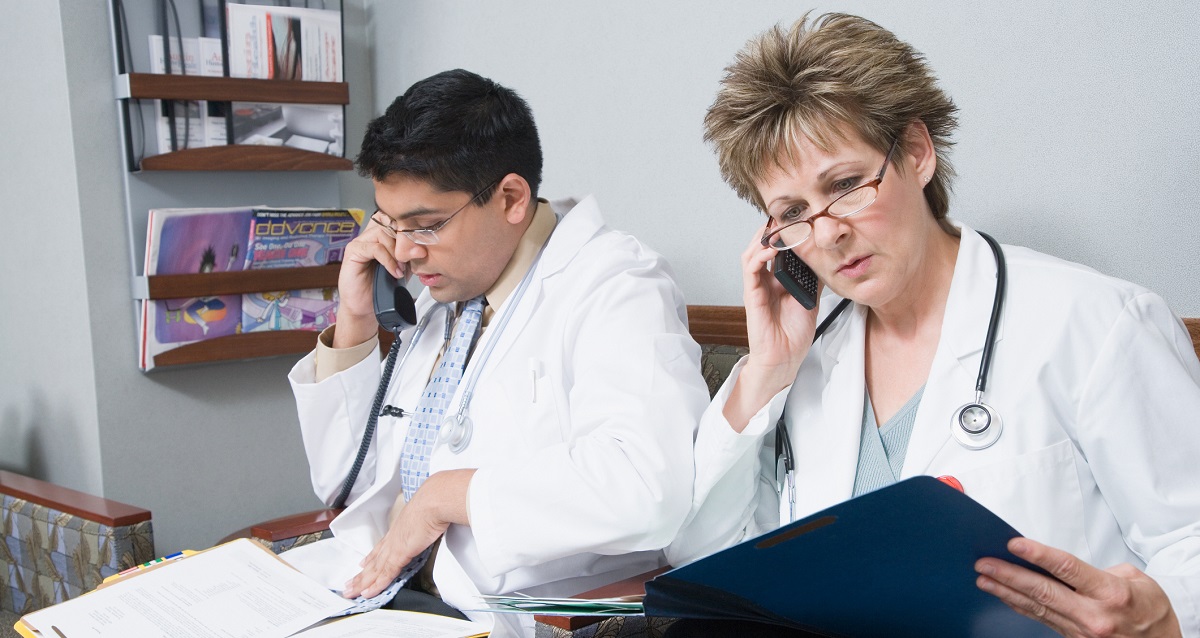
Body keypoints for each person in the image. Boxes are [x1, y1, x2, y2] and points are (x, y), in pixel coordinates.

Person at [667, 13, 1200, 638]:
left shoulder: (1095, 323)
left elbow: (1190, 539)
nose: (829, 231)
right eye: (792, 212)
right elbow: (705, 564)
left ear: (918, 153)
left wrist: (1166, 617)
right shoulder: (806, 357)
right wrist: (766, 371)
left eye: (844, 185)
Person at [282, 69, 709, 636]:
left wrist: (446, 496)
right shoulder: (442, 299)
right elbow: (343, 485)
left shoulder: (617, 284)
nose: (404, 253)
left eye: (426, 225)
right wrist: (357, 318)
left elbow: (648, 487)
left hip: (496, 615)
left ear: (511, 197)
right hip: (374, 593)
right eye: (391, 224)